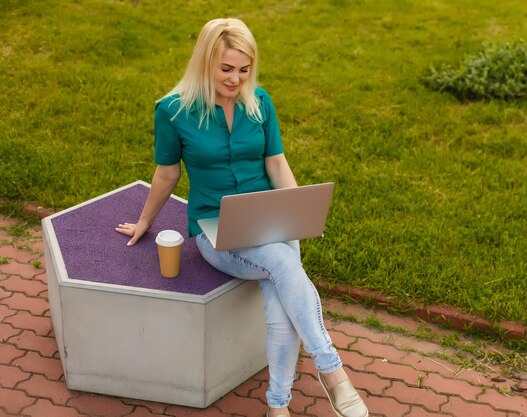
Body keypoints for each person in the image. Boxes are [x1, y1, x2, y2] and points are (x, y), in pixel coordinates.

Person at [115, 18, 368, 417]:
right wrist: (146, 220)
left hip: (269, 219)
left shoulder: (260, 102)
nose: (236, 79)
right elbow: (167, 174)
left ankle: (278, 408)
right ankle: (333, 371)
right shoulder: (173, 111)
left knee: (280, 305)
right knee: (284, 265)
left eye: (244, 69)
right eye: (226, 69)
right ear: (205, 62)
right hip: (217, 231)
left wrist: (297, 211)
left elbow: (277, 162)